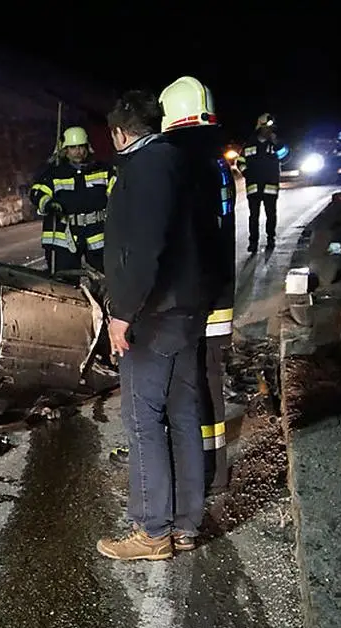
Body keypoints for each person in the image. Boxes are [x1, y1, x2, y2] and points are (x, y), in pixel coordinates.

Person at [95, 87, 226, 562]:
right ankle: (186, 525)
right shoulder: (185, 164)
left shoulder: (146, 168)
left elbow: (145, 249)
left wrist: (122, 315)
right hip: (187, 311)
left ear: (120, 133)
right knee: (183, 414)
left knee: (141, 419)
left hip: (155, 315)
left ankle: (152, 531)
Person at [28, 126, 113, 277]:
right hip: (63, 237)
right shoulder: (53, 173)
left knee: (104, 279)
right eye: (73, 147)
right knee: (64, 280)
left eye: (81, 146)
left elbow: (117, 190)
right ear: (65, 150)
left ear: (88, 147)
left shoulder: (103, 170)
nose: (78, 151)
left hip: (97, 235)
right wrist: (48, 204)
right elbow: (37, 192)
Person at [235, 113, 290, 252]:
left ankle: (270, 239)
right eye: (266, 128)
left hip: (270, 186)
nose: (269, 131)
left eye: (271, 129)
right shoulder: (249, 144)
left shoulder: (276, 144)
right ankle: (253, 242)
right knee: (254, 216)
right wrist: (247, 173)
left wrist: (277, 144)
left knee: (271, 214)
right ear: (260, 128)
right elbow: (240, 162)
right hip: (253, 187)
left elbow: (285, 158)